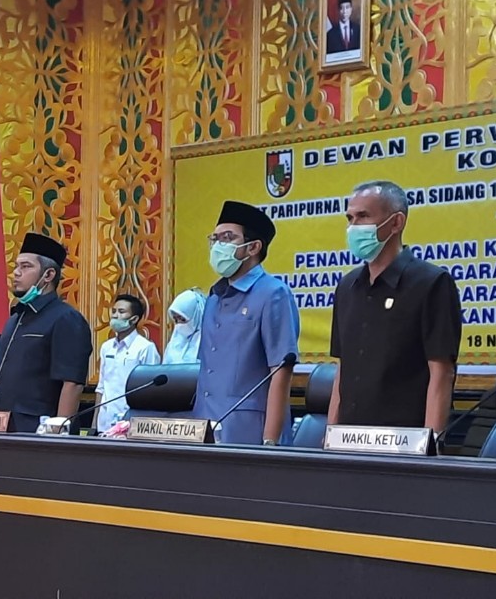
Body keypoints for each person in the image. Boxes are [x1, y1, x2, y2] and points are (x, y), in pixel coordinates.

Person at [328, 181, 461, 434]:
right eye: (350, 218)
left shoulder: (431, 283)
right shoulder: (347, 286)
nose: (353, 226)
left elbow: (441, 373)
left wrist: (430, 442)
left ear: (396, 222)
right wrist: (330, 433)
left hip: (403, 439)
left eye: (363, 216)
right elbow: (343, 370)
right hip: (348, 439)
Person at [192, 201, 299, 445]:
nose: (218, 245)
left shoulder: (273, 293)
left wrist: (270, 441)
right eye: (215, 239)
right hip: (204, 426)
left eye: (227, 238)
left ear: (253, 247)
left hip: (249, 431)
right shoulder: (214, 297)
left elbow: (280, 371)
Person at [0, 233, 93, 432]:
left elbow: (72, 383)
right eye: (16, 266)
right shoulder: (15, 319)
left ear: (48, 275)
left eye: (26, 266)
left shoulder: (66, 318)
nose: (16, 273)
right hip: (2, 427)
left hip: (39, 430)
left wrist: (58, 432)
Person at [94, 294, 161, 432]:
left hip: (130, 421)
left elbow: (151, 391)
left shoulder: (145, 348)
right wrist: (94, 424)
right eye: (114, 311)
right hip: (104, 421)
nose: (115, 315)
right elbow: (101, 387)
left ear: (134, 319)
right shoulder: (107, 347)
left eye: (121, 312)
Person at [163, 288, 206, 364]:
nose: (179, 324)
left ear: (195, 316)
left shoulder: (209, 342)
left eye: (182, 319)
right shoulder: (174, 342)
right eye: (176, 320)